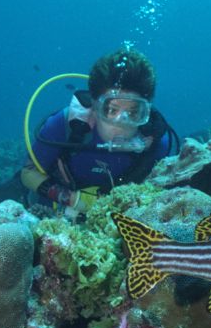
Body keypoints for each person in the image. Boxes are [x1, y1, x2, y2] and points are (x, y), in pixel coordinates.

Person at [20, 48, 179, 216]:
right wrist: (74, 200)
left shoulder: (158, 144)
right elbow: (28, 172)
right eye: (111, 110)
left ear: (146, 111)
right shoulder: (66, 126)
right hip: (54, 215)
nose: (122, 123)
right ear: (94, 107)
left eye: (133, 113)